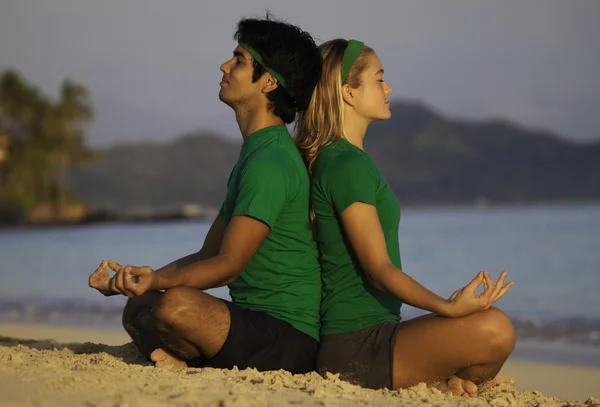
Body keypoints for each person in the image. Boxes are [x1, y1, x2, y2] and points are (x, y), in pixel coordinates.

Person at [88, 15, 323, 374]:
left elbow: (229, 265)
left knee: (176, 305)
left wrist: (161, 282)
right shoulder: (256, 153)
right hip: (249, 322)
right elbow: (208, 253)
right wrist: (138, 280)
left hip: (287, 338)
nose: (224, 66)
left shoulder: (271, 161)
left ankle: (184, 354)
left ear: (269, 82)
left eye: (239, 61)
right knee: (140, 304)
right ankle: (184, 356)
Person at [294, 39, 516, 396]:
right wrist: (447, 306)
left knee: (489, 326)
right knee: (497, 329)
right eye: (379, 78)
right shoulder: (347, 165)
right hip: (358, 348)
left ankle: (444, 384)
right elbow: (379, 271)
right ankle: (444, 384)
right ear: (348, 93)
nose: (388, 87)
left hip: (376, 334)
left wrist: (451, 310)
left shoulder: (343, 160)